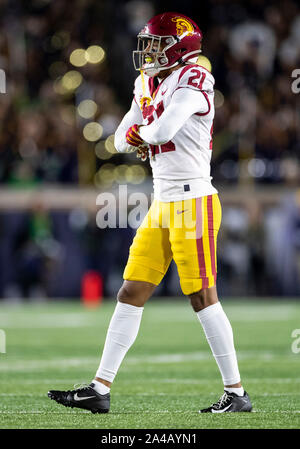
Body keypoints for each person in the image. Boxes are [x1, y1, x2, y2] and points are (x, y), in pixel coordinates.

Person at [48, 12, 252, 414]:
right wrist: (142, 129)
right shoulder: (147, 81)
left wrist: (144, 128)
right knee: (131, 290)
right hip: (163, 201)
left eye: (156, 44)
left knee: (202, 296)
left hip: (194, 200)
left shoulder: (195, 78)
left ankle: (237, 393)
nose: (148, 52)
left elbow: (157, 132)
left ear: (179, 47)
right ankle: (100, 388)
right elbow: (119, 138)